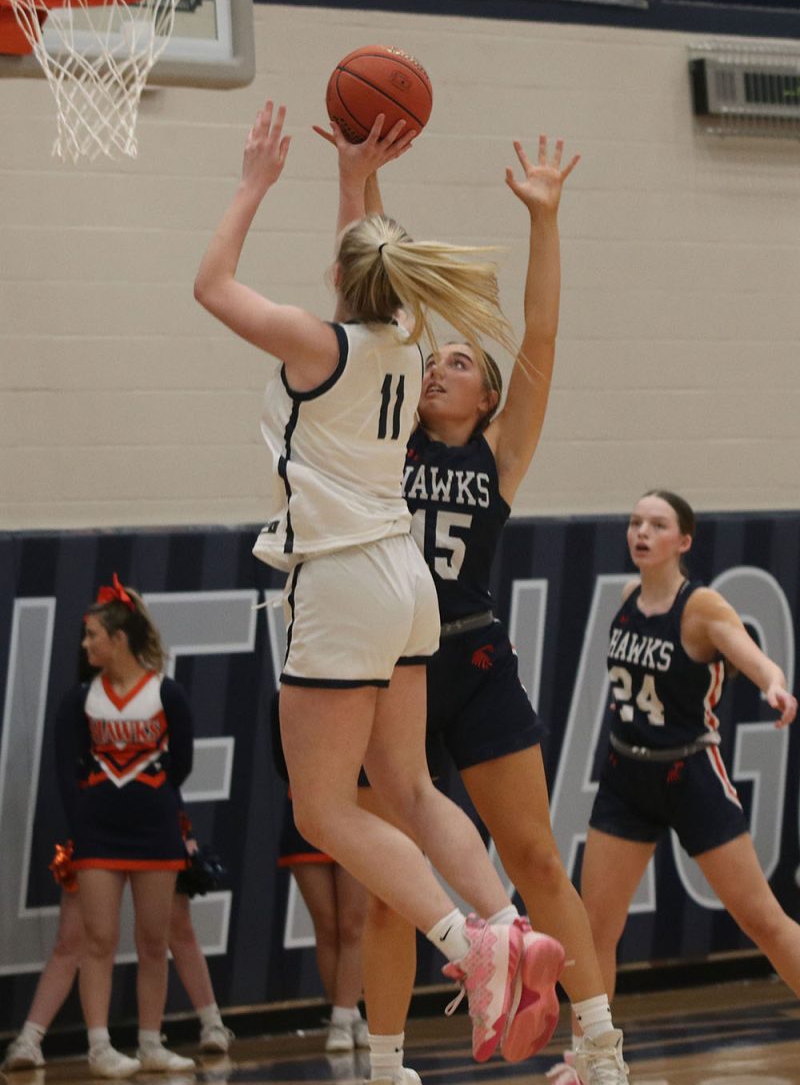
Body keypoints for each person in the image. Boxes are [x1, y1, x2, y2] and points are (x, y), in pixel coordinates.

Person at [193, 99, 567, 1065]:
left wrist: (252, 184)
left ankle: (467, 949)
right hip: (408, 583)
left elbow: (211, 286)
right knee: (406, 785)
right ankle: (508, 928)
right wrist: (353, 181)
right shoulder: (401, 337)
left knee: (325, 809)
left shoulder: (321, 345)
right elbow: (363, 266)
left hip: (344, 578)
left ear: (343, 278)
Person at [343, 139, 627, 1085]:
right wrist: (363, 178)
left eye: (458, 362)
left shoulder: (498, 455)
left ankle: (599, 1045)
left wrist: (543, 218)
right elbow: (378, 286)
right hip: (392, 675)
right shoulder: (390, 436)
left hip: (471, 664)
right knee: (390, 894)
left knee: (538, 860)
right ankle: (385, 1064)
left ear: (487, 394)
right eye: (437, 360)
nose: (438, 369)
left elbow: (540, 338)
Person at [551, 489, 800, 1083]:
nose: (641, 532)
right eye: (635, 522)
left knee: (762, 920)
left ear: (682, 541)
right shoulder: (625, 596)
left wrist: (773, 683)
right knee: (595, 929)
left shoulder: (702, 606)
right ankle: (590, 1057)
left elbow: (749, 652)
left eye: (656, 524)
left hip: (690, 773)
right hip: (625, 774)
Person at [54, 575, 197, 1079]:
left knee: (153, 941)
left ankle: (151, 1042)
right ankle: (99, 1047)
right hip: (98, 836)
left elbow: (180, 763)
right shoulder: (80, 700)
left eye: (93, 634)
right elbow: (66, 770)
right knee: (98, 939)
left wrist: (151, 801)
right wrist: (85, 822)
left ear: (119, 639)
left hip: (155, 832)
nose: (85, 643)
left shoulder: (167, 693)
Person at [2, 845, 231, 1072]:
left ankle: (211, 1025)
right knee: (73, 938)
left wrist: (185, 834)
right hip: (100, 829)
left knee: (171, 930)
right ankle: (30, 1040)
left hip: (154, 829)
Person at [271, 692, 369, 1054]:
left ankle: (343, 1018)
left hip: (355, 812)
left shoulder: (362, 688)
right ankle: (347, 1016)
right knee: (327, 926)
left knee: (353, 924)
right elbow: (282, 764)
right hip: (306, 816)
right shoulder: (284, 697)